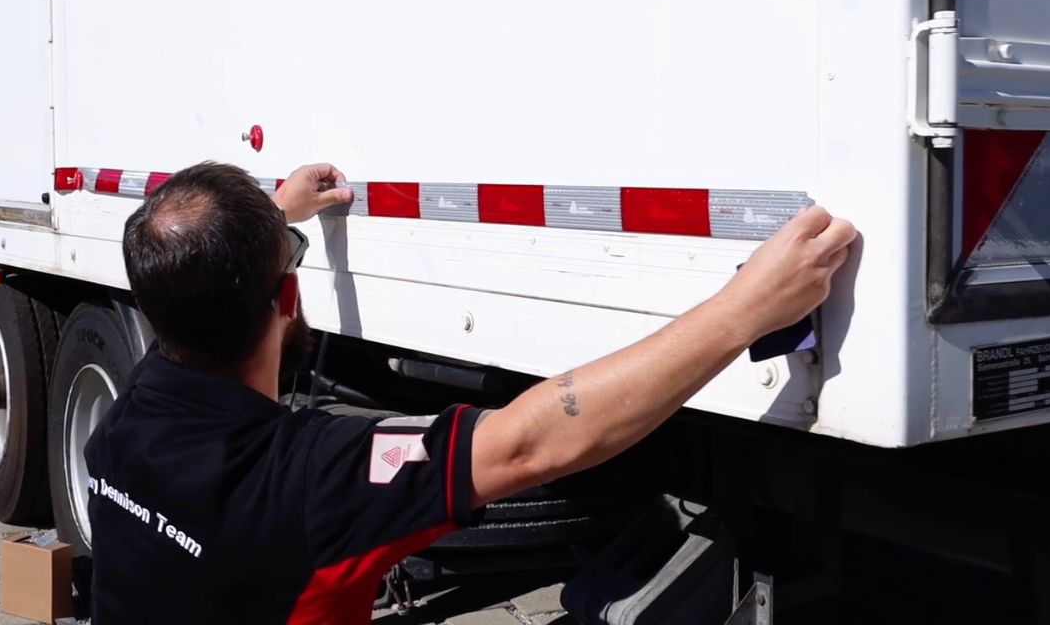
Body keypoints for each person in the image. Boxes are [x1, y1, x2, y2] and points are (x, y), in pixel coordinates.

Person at [85, 161, 855, 624]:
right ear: (287, 299)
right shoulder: (311, 480)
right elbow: (535, 439)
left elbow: (192, 291)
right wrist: (748, 307)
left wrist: (268, 222)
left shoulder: (124, 423)